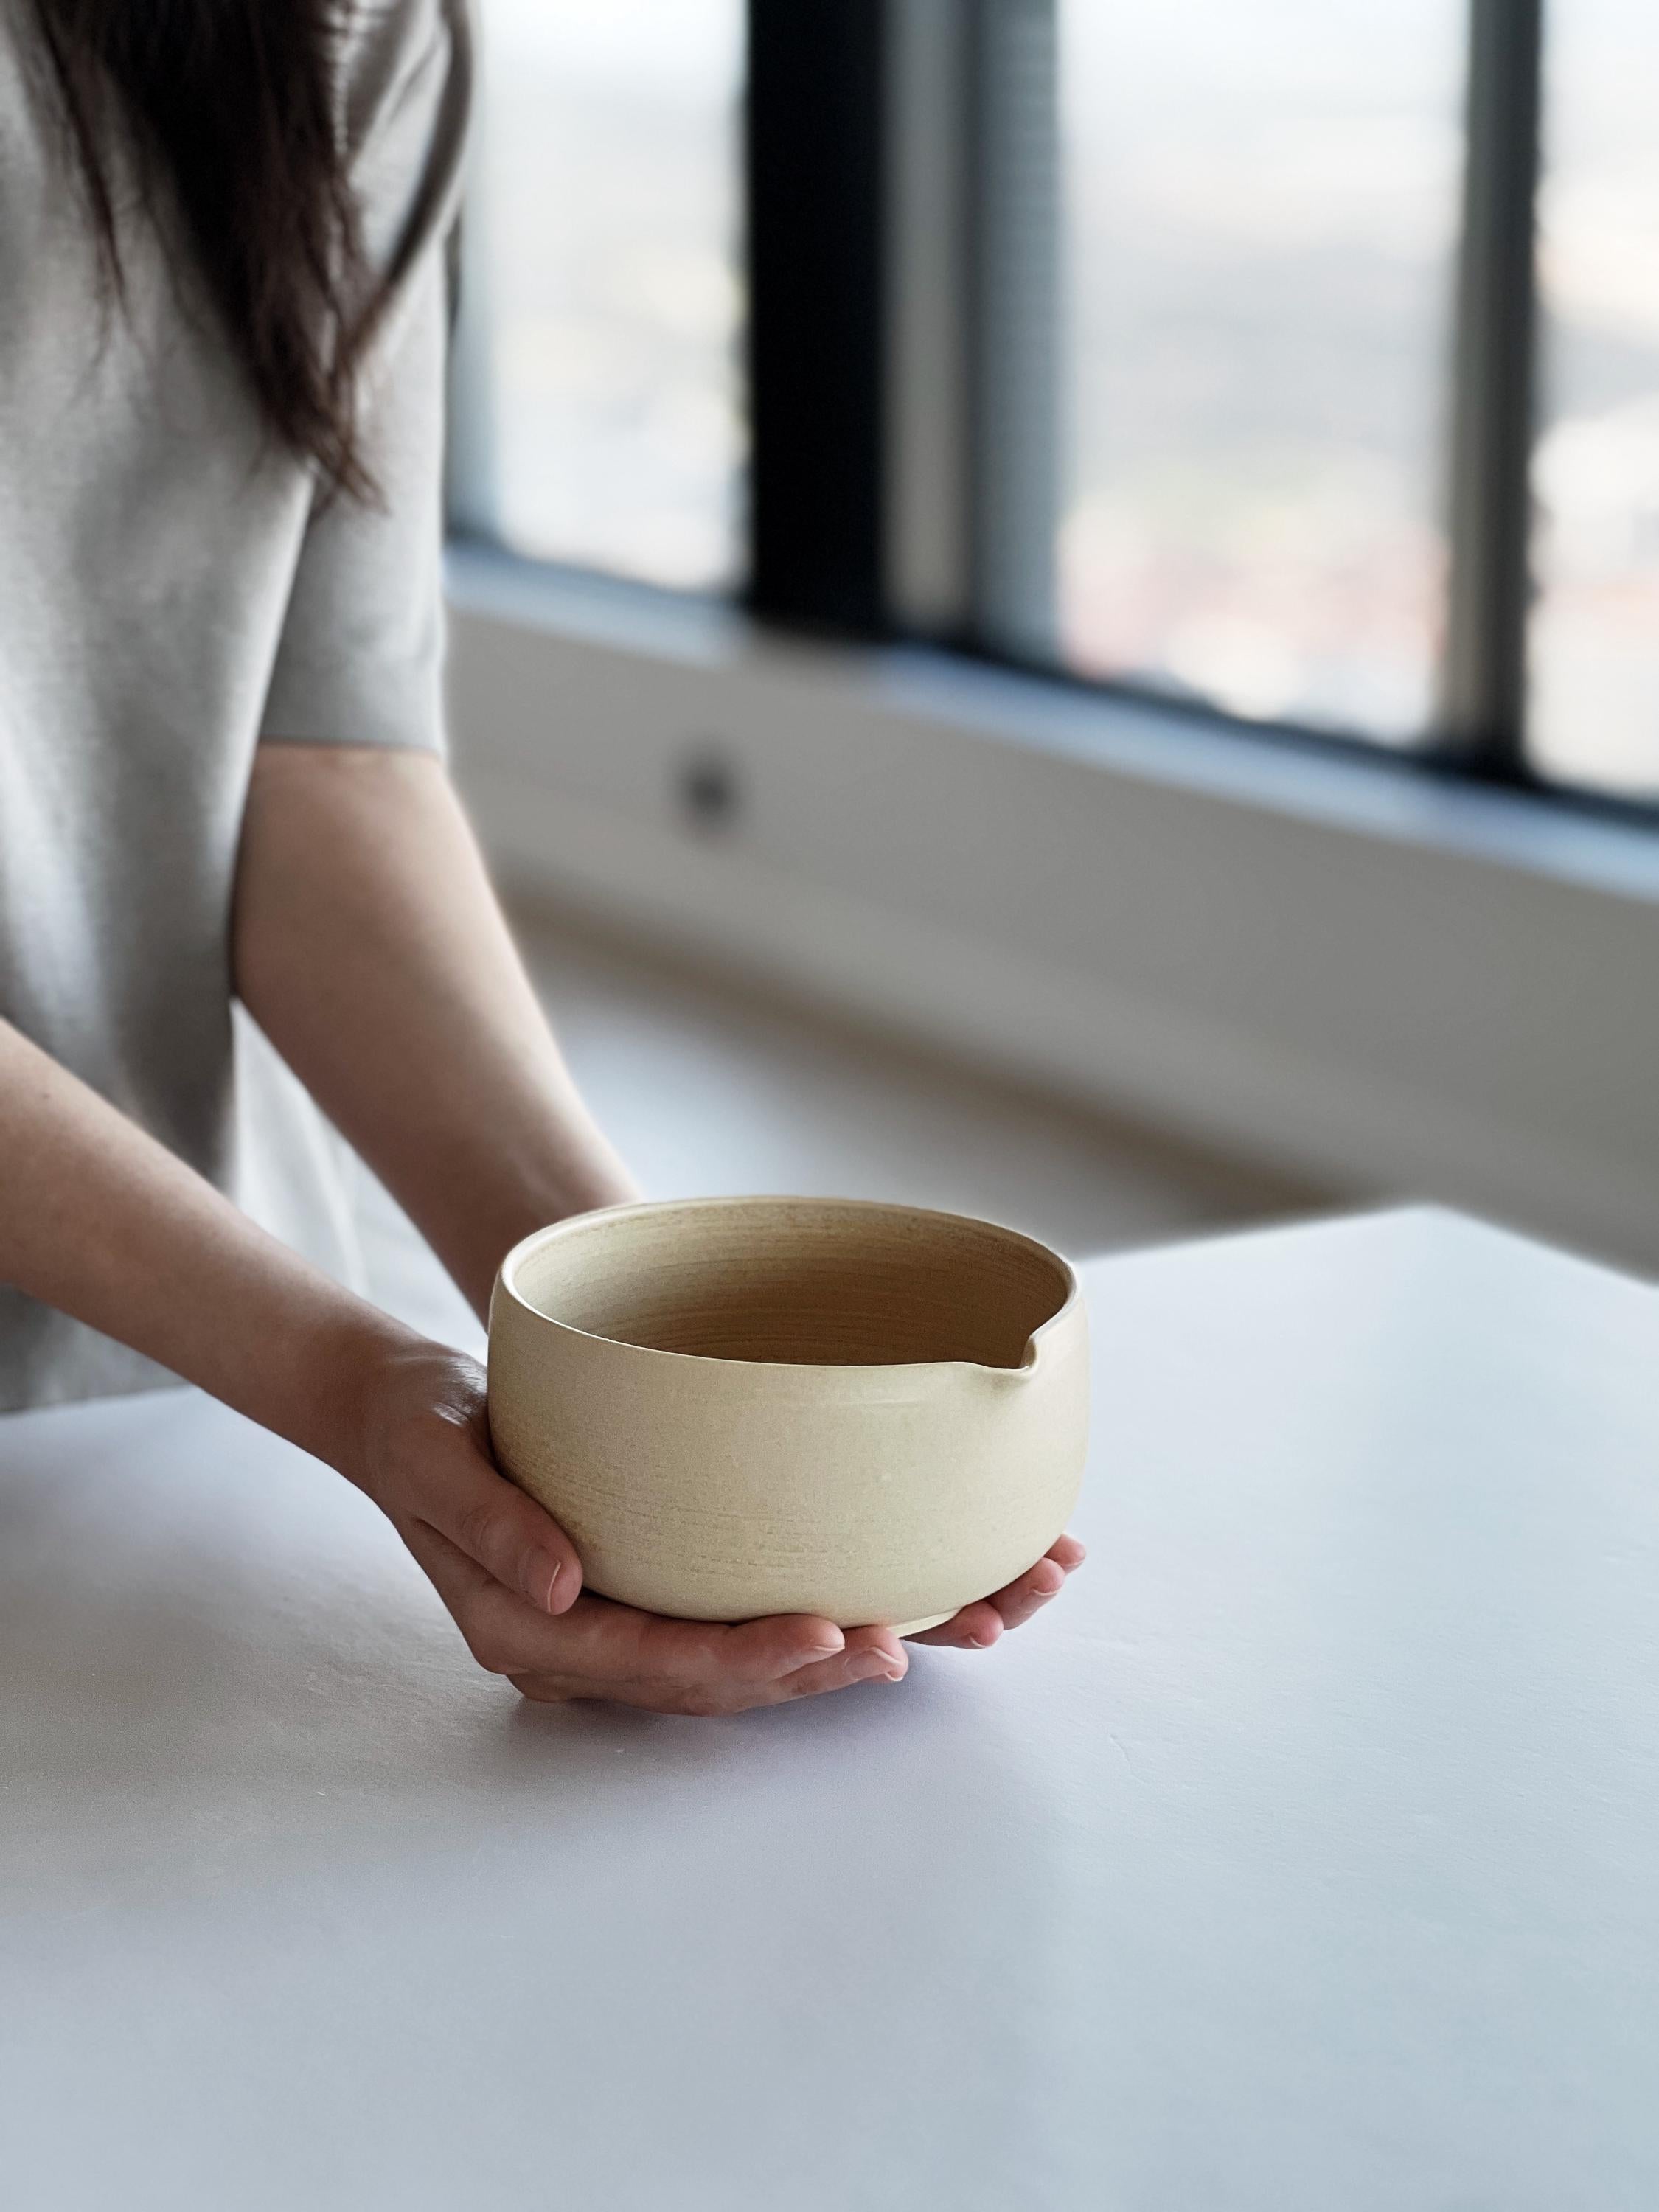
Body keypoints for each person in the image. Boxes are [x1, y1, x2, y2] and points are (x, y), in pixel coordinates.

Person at [0, 0, 1081, 1714]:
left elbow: (321, 764)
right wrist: (350, 1379)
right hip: (233, 1362)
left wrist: (646, 1352)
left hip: (170, 1409)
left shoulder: (344, 33)